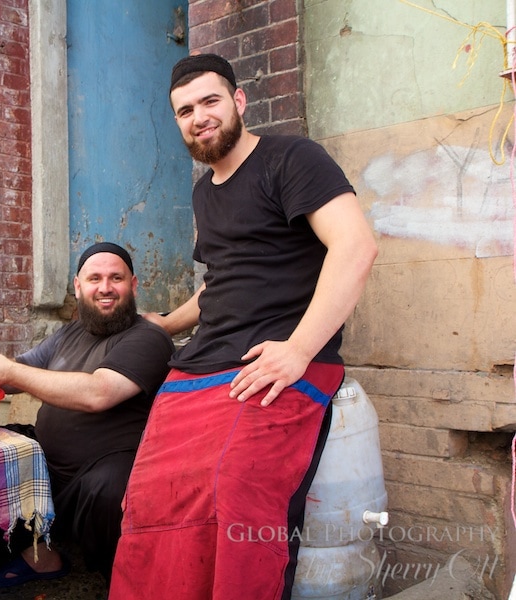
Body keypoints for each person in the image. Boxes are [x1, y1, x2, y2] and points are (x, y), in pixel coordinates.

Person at [108, 54, 378, 600]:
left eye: (210, 101)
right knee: (147, 495)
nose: (198, 117)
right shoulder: (203, 192)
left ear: (238, 101)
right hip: (200, 364)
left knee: (234, 490)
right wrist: (166, 320)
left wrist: (300, 349)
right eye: (185, 110)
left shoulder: (293, 158)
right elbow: (223, 281)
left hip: (279, 359)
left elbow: (356, 246)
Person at [0, 241, 175, 588]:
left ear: (133, 286)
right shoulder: (70, 332)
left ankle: (125, 584)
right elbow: (23, 369)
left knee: (109, 489)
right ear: (78, 286)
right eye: (95, 278)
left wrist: (10, 373)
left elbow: (99, 392)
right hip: (47, 465)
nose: (105, 288)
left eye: (116, 278)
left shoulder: (149, 338)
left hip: (102, 470)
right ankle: (39, 557)